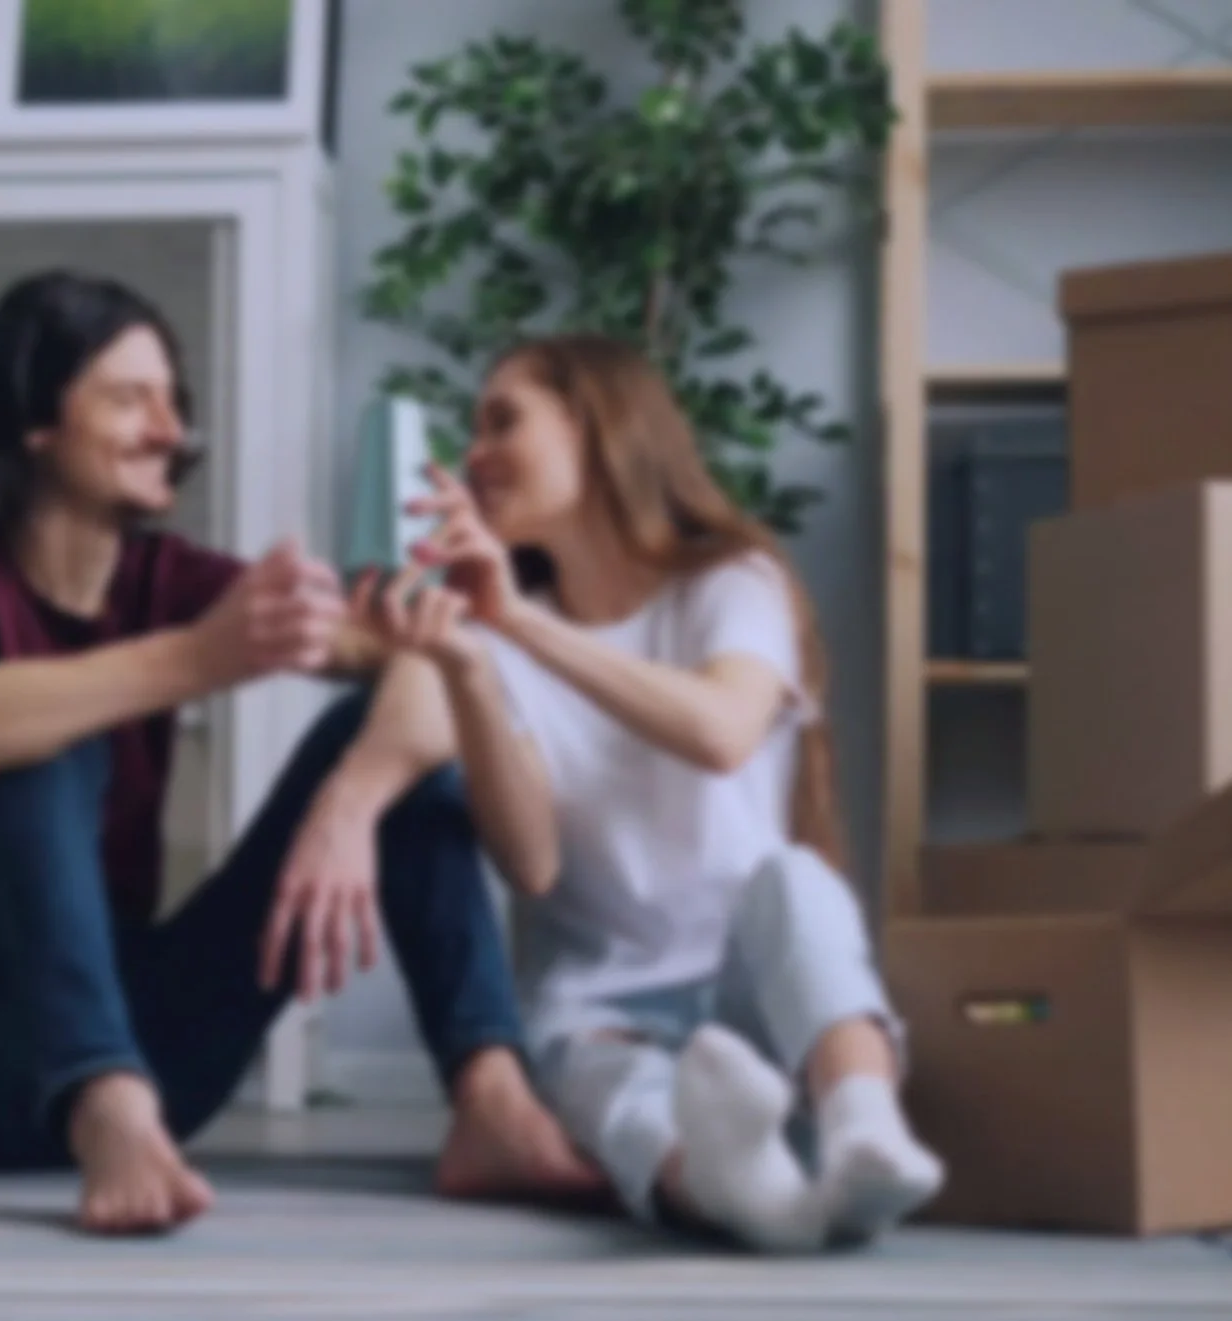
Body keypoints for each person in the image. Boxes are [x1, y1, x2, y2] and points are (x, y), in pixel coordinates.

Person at [0, 270, 601, 1235]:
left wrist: (351, 802)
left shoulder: (174, 578)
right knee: (43, 734)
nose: (171, 429)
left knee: (381, 737)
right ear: (34, 421)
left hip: (155, 1057)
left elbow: (433, 660)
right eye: (129, 399)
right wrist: (195, 658)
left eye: (174, 400)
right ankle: (104, 1101)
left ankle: (492, 1099)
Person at [351, 334, 945, 1254]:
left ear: (597, 428)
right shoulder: (501, 641)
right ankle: (733, 1194)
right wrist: (471, 666)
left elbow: (720, 731)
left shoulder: (730, 583)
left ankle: (864, 1130)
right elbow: (532, 862)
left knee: (796, 881)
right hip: (606, 1002)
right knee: (600, 1076)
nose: (474, 454)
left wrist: (521, 627)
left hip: (759, 973)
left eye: (504, 421)